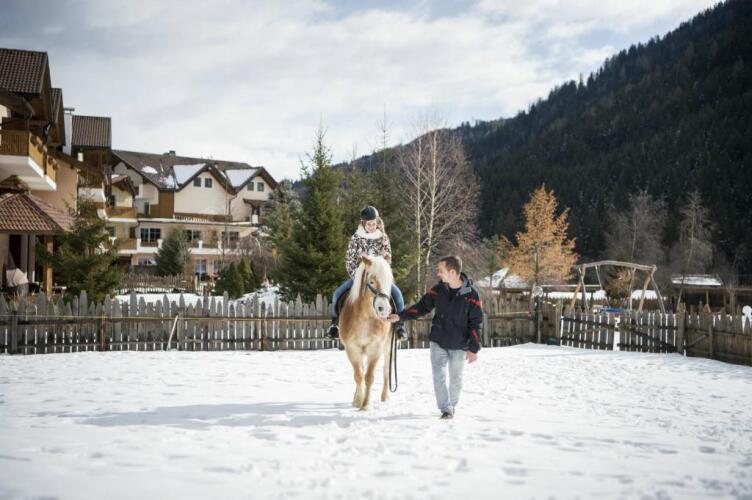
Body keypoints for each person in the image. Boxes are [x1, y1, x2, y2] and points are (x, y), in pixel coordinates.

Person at [387, 255, 482, 420]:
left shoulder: (471, 295)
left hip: (459, 345)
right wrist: (400, 316)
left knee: (456, 379)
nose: (438, 273)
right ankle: (446, 409)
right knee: (438, 376)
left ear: (452, 272)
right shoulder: (439, 290)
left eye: (441, 270)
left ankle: (452, 405)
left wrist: (473, 348)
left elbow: (476, 322)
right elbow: (422, 307)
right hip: (438, 341)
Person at [327, 205, 407, 339]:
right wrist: (358, 277)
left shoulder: (383, 238)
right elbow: (349, 261)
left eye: (374, 224)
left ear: (377, 222)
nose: (371, 226)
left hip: (378, 278)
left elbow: (387, 259)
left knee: (398, 295)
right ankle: (334, 324)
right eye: (369, 224)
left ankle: (400, 326)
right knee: (337, 294)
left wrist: (381, 273)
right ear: (363, 223)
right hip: (359, 277)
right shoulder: (356, 238)